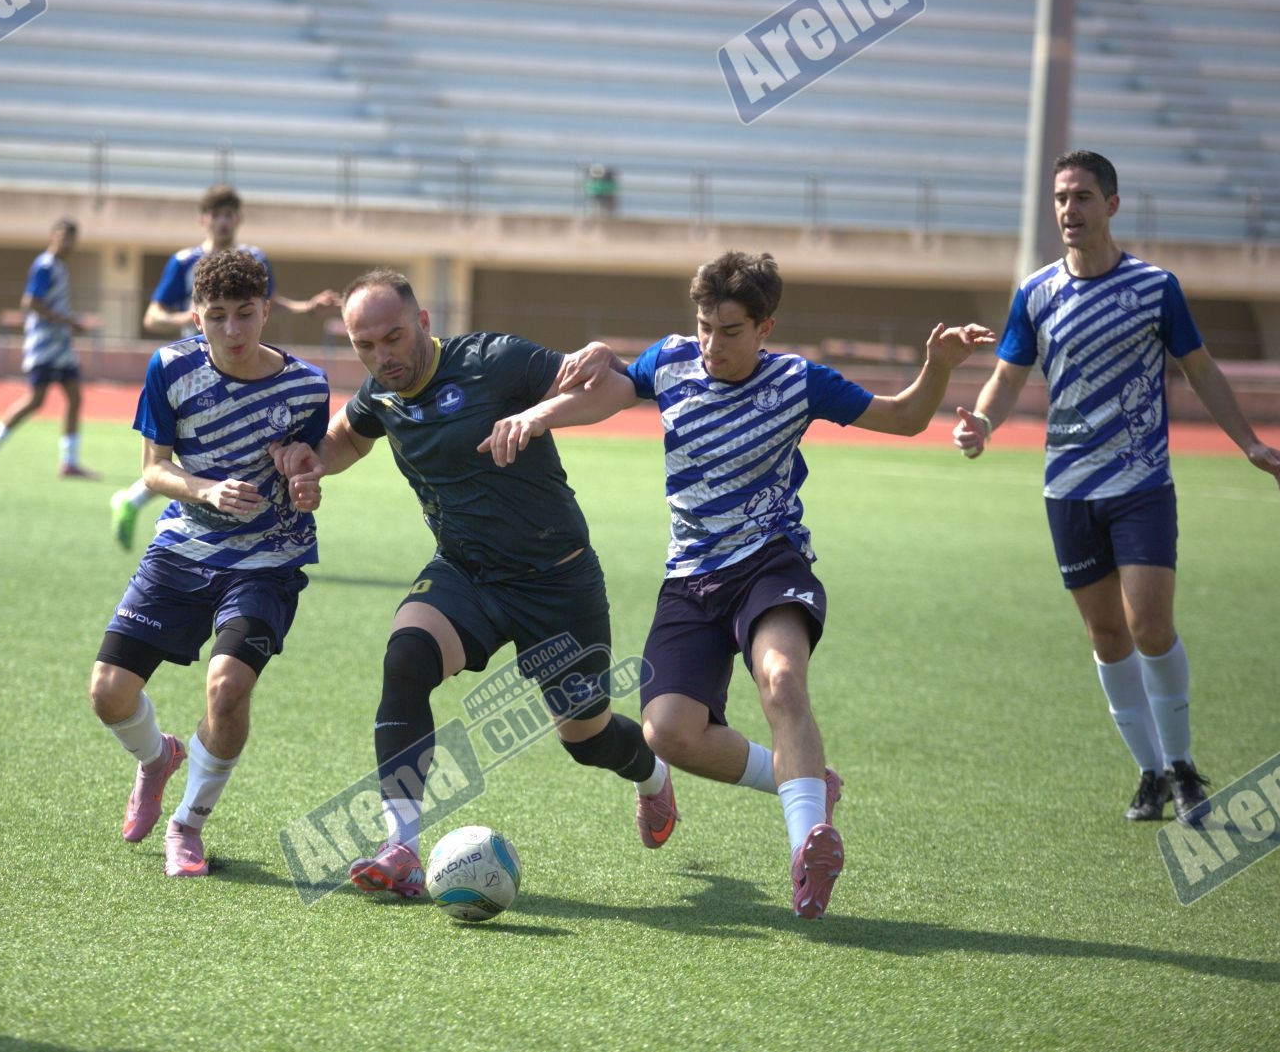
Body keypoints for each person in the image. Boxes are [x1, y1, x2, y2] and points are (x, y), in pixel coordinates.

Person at [480, 251, 994, 918]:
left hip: (769, 564)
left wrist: (938, 368)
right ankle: (806, 782)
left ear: (763, 328)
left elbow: (902, 418)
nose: (711, 344)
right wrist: (540, 415)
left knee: (781, 679)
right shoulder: (670, 362)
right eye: (704, 326)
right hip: (690, 579)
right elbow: (608, 392)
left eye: (729, 331)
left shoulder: (798, 381)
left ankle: (807, 845)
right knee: (667, 733)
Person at [272, 270, 675, 898]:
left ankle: (652, 776)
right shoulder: (382, 392)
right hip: (465, 571)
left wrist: (539, 414)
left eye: (393, 337)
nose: (383, 356)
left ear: (423, 322)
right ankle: (401, 846)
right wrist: (312, 461)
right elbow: (349, 434)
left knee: (587, 737)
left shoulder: (494, 360)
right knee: (406, 658)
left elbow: (613, 391)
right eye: (365, 345)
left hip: (556, 581)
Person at [953, 149, 1280, 827]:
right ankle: (1149, 772)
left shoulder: (1154, 287)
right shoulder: (1036, 292)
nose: (1068, 210)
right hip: (1068, 489)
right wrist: (982, 422)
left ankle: (1183, 765)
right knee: (1107, 634)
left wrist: (1249, 441)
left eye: (1081, 197)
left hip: (1141, 483)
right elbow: (1009, 376)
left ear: (1110, 205)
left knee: (1150, 625)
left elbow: (1199, 369)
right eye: (1060, 198)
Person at [87, 250, 330, 877]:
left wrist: (305, 483)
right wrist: (207, 490)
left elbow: (307, 470)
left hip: (266, 558)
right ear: (197, 318)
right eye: (217, 316)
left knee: (227, 689)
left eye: (245, 313)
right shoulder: (170, 368)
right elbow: (153, 470)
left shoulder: (308, 386)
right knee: (108, 695)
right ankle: (157, 759)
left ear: (266, 311)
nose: (232, 329)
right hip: (183, 548)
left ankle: (187, 823)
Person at [110, 186, 340, 548]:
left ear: (239, 219)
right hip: (196, 373)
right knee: (197, 454)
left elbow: (270, 300)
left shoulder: (255, 258)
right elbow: (152, 316)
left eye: (229, 215)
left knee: (235, 453)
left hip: (244, 367)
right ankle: (139, 503)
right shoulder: (184, 262)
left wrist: (306, 308)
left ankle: (138, 502)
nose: (223, 222)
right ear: (203, 220)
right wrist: (202, 318)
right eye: (216, 215)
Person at [0, 217, 97, 479]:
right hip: (43, 344)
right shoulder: (45, 265)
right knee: (35, 400)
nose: (68, 242)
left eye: (72, 238)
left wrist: (69, 324)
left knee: (75, 396)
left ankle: (69, 461)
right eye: (63, 236)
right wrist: (68, 321)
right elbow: (31, 302)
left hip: (60, 345)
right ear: (52, 236)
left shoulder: (60, 267)